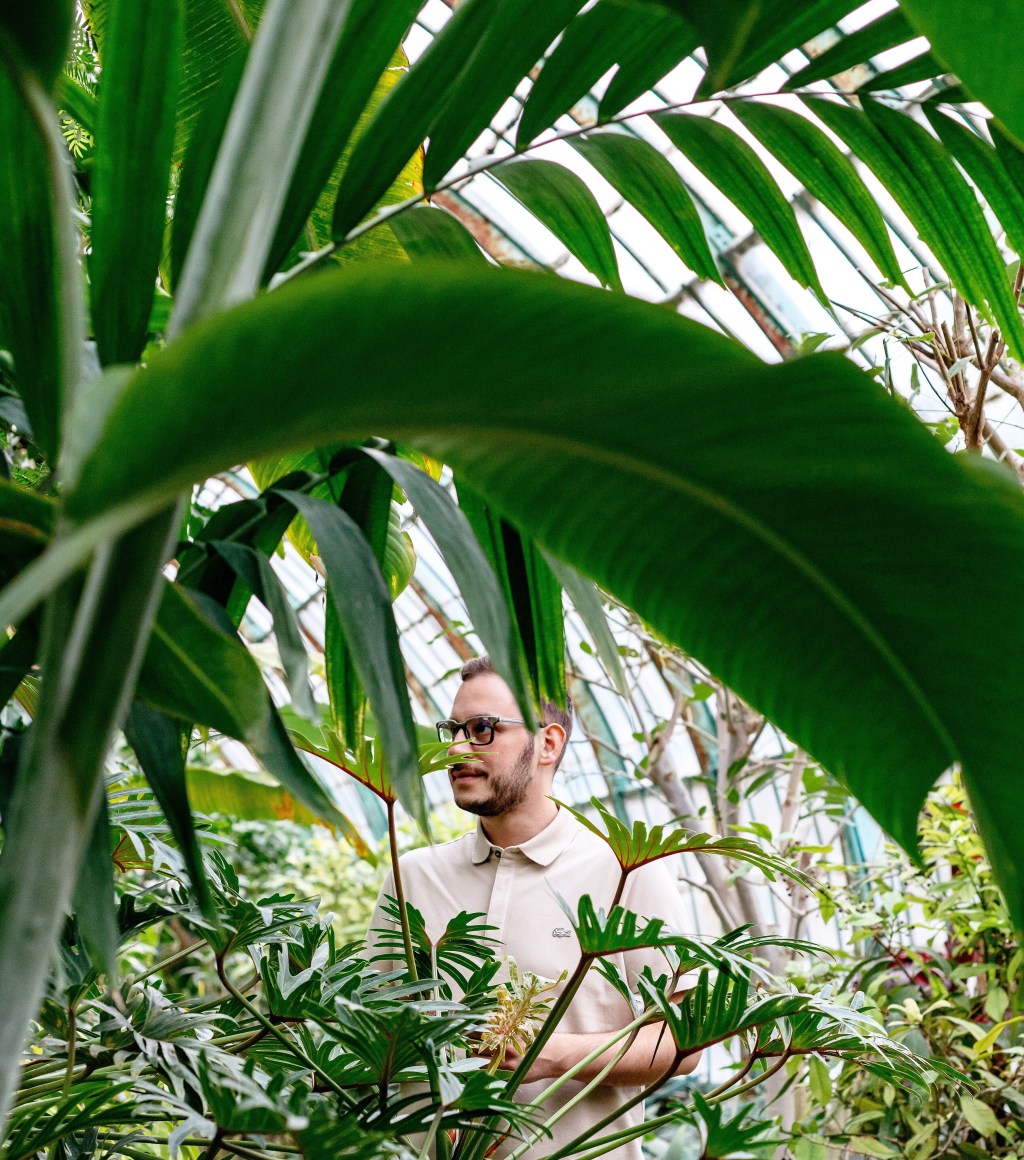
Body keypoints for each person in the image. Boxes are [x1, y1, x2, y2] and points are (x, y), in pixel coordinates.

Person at [367, 656, 700, 1158]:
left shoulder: (627, 869)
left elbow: (686, 1041)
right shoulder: (413, 874)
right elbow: (374, 1030)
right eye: (453, 728)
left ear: (548, 744)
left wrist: (550, 1056)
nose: (456, 749)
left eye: (483, 729)